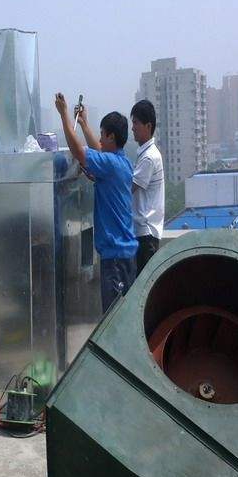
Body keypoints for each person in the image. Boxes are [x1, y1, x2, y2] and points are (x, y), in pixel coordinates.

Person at [54, 93, 137, 313]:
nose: (99, 139)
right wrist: (83, 124)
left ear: (111, 136)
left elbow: (78, 152)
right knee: (121, 315)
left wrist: (63, 114)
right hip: (124, 255)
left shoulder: (110, 164)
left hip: (115, 257)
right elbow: (99, 151)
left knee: (114, 317)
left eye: (102, 135)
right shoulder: (122, 163)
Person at [130, 100, 165, 273]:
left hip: (146, 235)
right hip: (144, 234)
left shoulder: (149, 158)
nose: (133, 128)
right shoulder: (146, 154)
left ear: (148, 126)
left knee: (143, 283)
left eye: (136, 123)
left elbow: (129, 188)